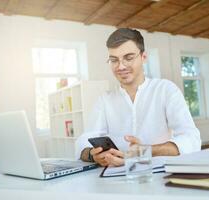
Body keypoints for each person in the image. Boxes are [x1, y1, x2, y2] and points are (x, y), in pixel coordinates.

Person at [75, 28, 201, 167]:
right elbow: (83, 142)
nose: (121, 66)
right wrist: (94, 155)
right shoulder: (105, 100)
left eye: (128, 58)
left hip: (160, 174)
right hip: (118, 177)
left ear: (143, 57)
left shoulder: (166, 90)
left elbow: (191, 139)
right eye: (114, 60)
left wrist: (146, 151)